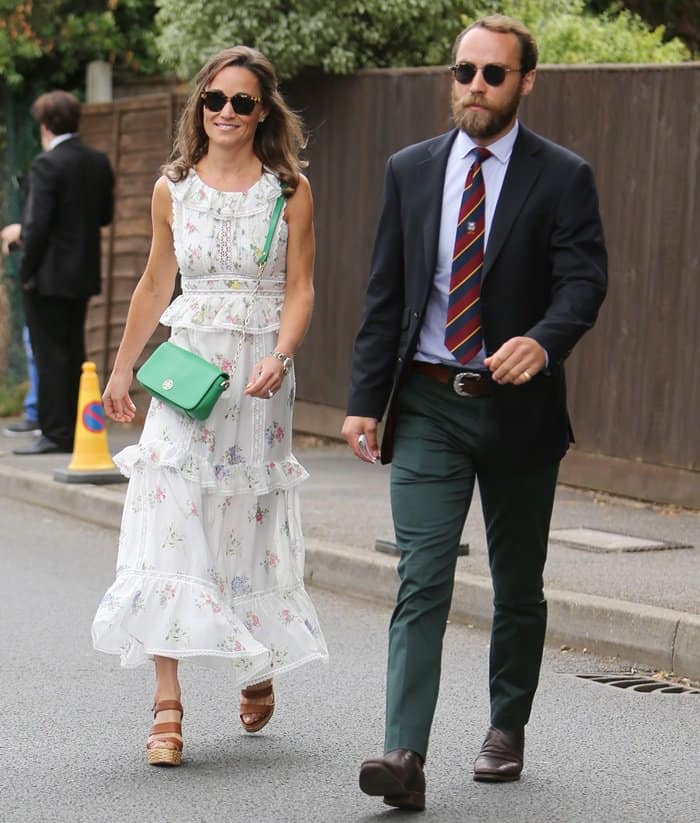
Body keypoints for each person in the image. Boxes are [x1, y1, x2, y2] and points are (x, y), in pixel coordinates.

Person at [342, 14, 607, 811]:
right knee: (421, 577)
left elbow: (584, 282)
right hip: (426, 402)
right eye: (465, 73)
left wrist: (544, 340)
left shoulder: (562, 175)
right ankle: (404, 753)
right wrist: (362, 401)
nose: (476, 88)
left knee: (517, 583)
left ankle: (506, 723)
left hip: (520, 411)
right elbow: (387, 291)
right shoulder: (410, 169)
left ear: (526, 81)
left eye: (494, 74)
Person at [91, 45, 328, 767]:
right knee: (168, 518)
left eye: (242, 102)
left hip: (257, 377)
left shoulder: (289, 190)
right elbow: (154, 283)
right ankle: (167, 704)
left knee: (243, 521)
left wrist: (281, 353)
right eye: (214, 100)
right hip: (188, 374)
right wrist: (123, 369)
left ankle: (255, 658)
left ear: (264, 113)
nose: (226, 113)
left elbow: (301, 289)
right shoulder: (174, 188)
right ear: (200, 107)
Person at [9, 90, 114, 455]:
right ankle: (74, 428)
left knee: (49, 354)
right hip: (82, 273)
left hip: (48, 276)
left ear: (44, 125)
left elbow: (36, 225)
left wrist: (26, 271)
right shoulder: (98, 161)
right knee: (73, 350)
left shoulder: (46, 164)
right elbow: (104, 216)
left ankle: (55, 433)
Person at [0, 225, 40, 436]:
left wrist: (22, 231)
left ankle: (38, 414)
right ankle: (39, 413)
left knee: (38, 348)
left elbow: (40, 221)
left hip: (45, 276)